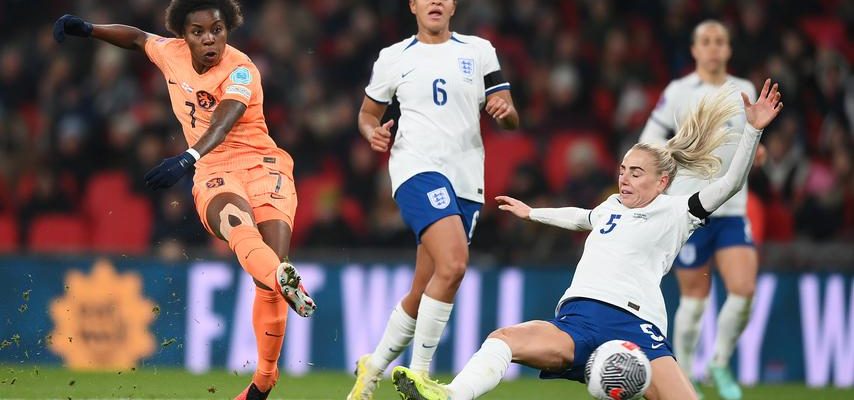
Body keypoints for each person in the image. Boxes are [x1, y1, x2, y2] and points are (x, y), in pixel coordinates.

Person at [391, 80, 782, 400]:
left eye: (636, 173)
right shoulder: (611, 205)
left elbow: (730, 183)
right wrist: (533, 213)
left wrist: (754, 129)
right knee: (503, 339)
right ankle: (449, 397)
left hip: (636, 328)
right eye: (623, 170)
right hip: (577, 321)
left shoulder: (679, 212)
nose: (624, 178)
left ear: (662, 181)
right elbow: (583, 218)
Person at [53, 2, 316, 399]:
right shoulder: (170, 52)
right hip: (216, 169)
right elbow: (138, 38)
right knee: (236, 224)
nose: (209, 39)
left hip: (263, 165)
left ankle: (264, 379)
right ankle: (282, 279)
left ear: (228, 30)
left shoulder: (242, 68)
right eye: (198, 32)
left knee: (266, 284)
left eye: (217, 29)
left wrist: (187, 156)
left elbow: (226, 116)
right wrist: (90, 29)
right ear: (183, 35)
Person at [348, 0, 519, 399]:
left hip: (467, 182)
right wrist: (371, 132)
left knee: (426, 284)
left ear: (454, 5)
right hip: (416, 169)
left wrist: (503, 109)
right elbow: (367, 114)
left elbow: (511, 116)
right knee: (455, 263)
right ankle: (420, 374)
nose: (436, 1)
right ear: (414, 5)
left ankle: (371, 370)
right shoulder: (394, 57)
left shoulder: (478, 51)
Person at [639, 20, 759, 400]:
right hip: (690, 208)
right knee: (694, 299)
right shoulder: (678, 92)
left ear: (728, 49)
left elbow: (751, 137)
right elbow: (648, 141)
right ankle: (685, 374)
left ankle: (720, 362)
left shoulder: (745, 90)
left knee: (743, 291)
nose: (713, 48)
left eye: (719, 41)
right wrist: (676, 159)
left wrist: (760, 149)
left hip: (733, 206)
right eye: (705, 42)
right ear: (694, 50)